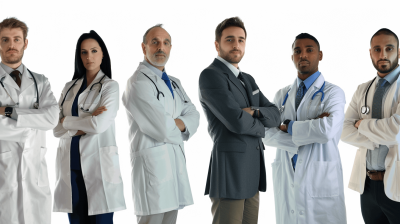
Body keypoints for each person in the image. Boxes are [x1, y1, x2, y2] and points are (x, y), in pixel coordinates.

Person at [198, 17, 281, 224]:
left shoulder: (248, 79)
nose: (236, 45)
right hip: (230, 172)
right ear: (217, 45)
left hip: (252, 173)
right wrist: (261, 126)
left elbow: (275, 114)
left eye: (241, 40)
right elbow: (235, 121)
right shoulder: (211, 75)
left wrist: (252, 111)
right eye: (230, 39)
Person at [262, 33, 347, 224]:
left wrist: (288, 126)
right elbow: (266, 133)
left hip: (322, 182)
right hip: (287, 179)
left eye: (309, 50)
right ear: (292, 57)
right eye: (297, 51)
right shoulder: (282, 95)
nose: (303, 55)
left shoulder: (334, 93)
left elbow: (327, 130)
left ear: (320, 55)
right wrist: (311, 128)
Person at [122, 24, 200, 224]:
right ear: (144, 47)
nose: (160, 47)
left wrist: (173, 123)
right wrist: (178, 124)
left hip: (173, 170)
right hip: (152, 172)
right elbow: (162, 128)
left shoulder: (174, 82)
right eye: (155, 42)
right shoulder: (138, 82)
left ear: (171, 48)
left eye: (166, 43)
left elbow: (194, 115)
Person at [53, 30, 126, 224]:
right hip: (71, 167)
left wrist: (67, 121)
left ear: (103, 54)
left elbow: (98, 124)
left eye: (94, 51)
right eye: (84, 52)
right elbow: (55, 129)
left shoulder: (110, 86)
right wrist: (85, 120)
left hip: (99, 168)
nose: (89, 57)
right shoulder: (69, 86)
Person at [0, 17, 59, 224]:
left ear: (25, 43)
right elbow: (40, 124)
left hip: (36, 180)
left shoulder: (40, 82)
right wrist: (34, 122)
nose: (11, 45)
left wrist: (7, 112)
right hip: (4, 178)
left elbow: (52, 119)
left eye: (17, 39)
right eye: (5, 40)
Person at [341, 28, 400, 224]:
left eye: (389, 48)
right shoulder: (362, 89)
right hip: (367, 186)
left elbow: (396, 132)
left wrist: (362, 124)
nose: (382, 54)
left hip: (397, 185)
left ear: (399, 52)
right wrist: (378, 138)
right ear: (370, 53)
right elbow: (344, 130)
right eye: (377, 49)